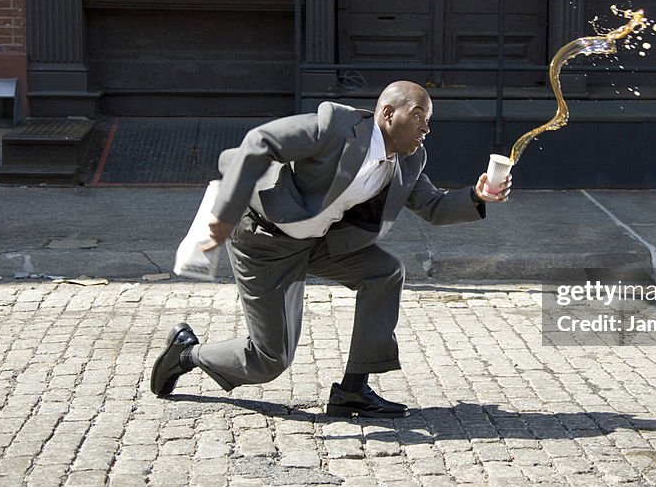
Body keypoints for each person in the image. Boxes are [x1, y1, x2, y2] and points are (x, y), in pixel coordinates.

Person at [151, 80, 512, 417]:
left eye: (429, 121)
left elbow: (433, 206)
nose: (425, 127)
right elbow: (261, 142)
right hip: (265, 242)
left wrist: (478, 195)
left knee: (384, 272)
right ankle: (185, 353)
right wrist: (226, 215)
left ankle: (353, 391)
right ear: (388, 113)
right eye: (418, 115)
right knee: (269, 360)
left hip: (319, 242)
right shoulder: (335, 126)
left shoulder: (410, 159)